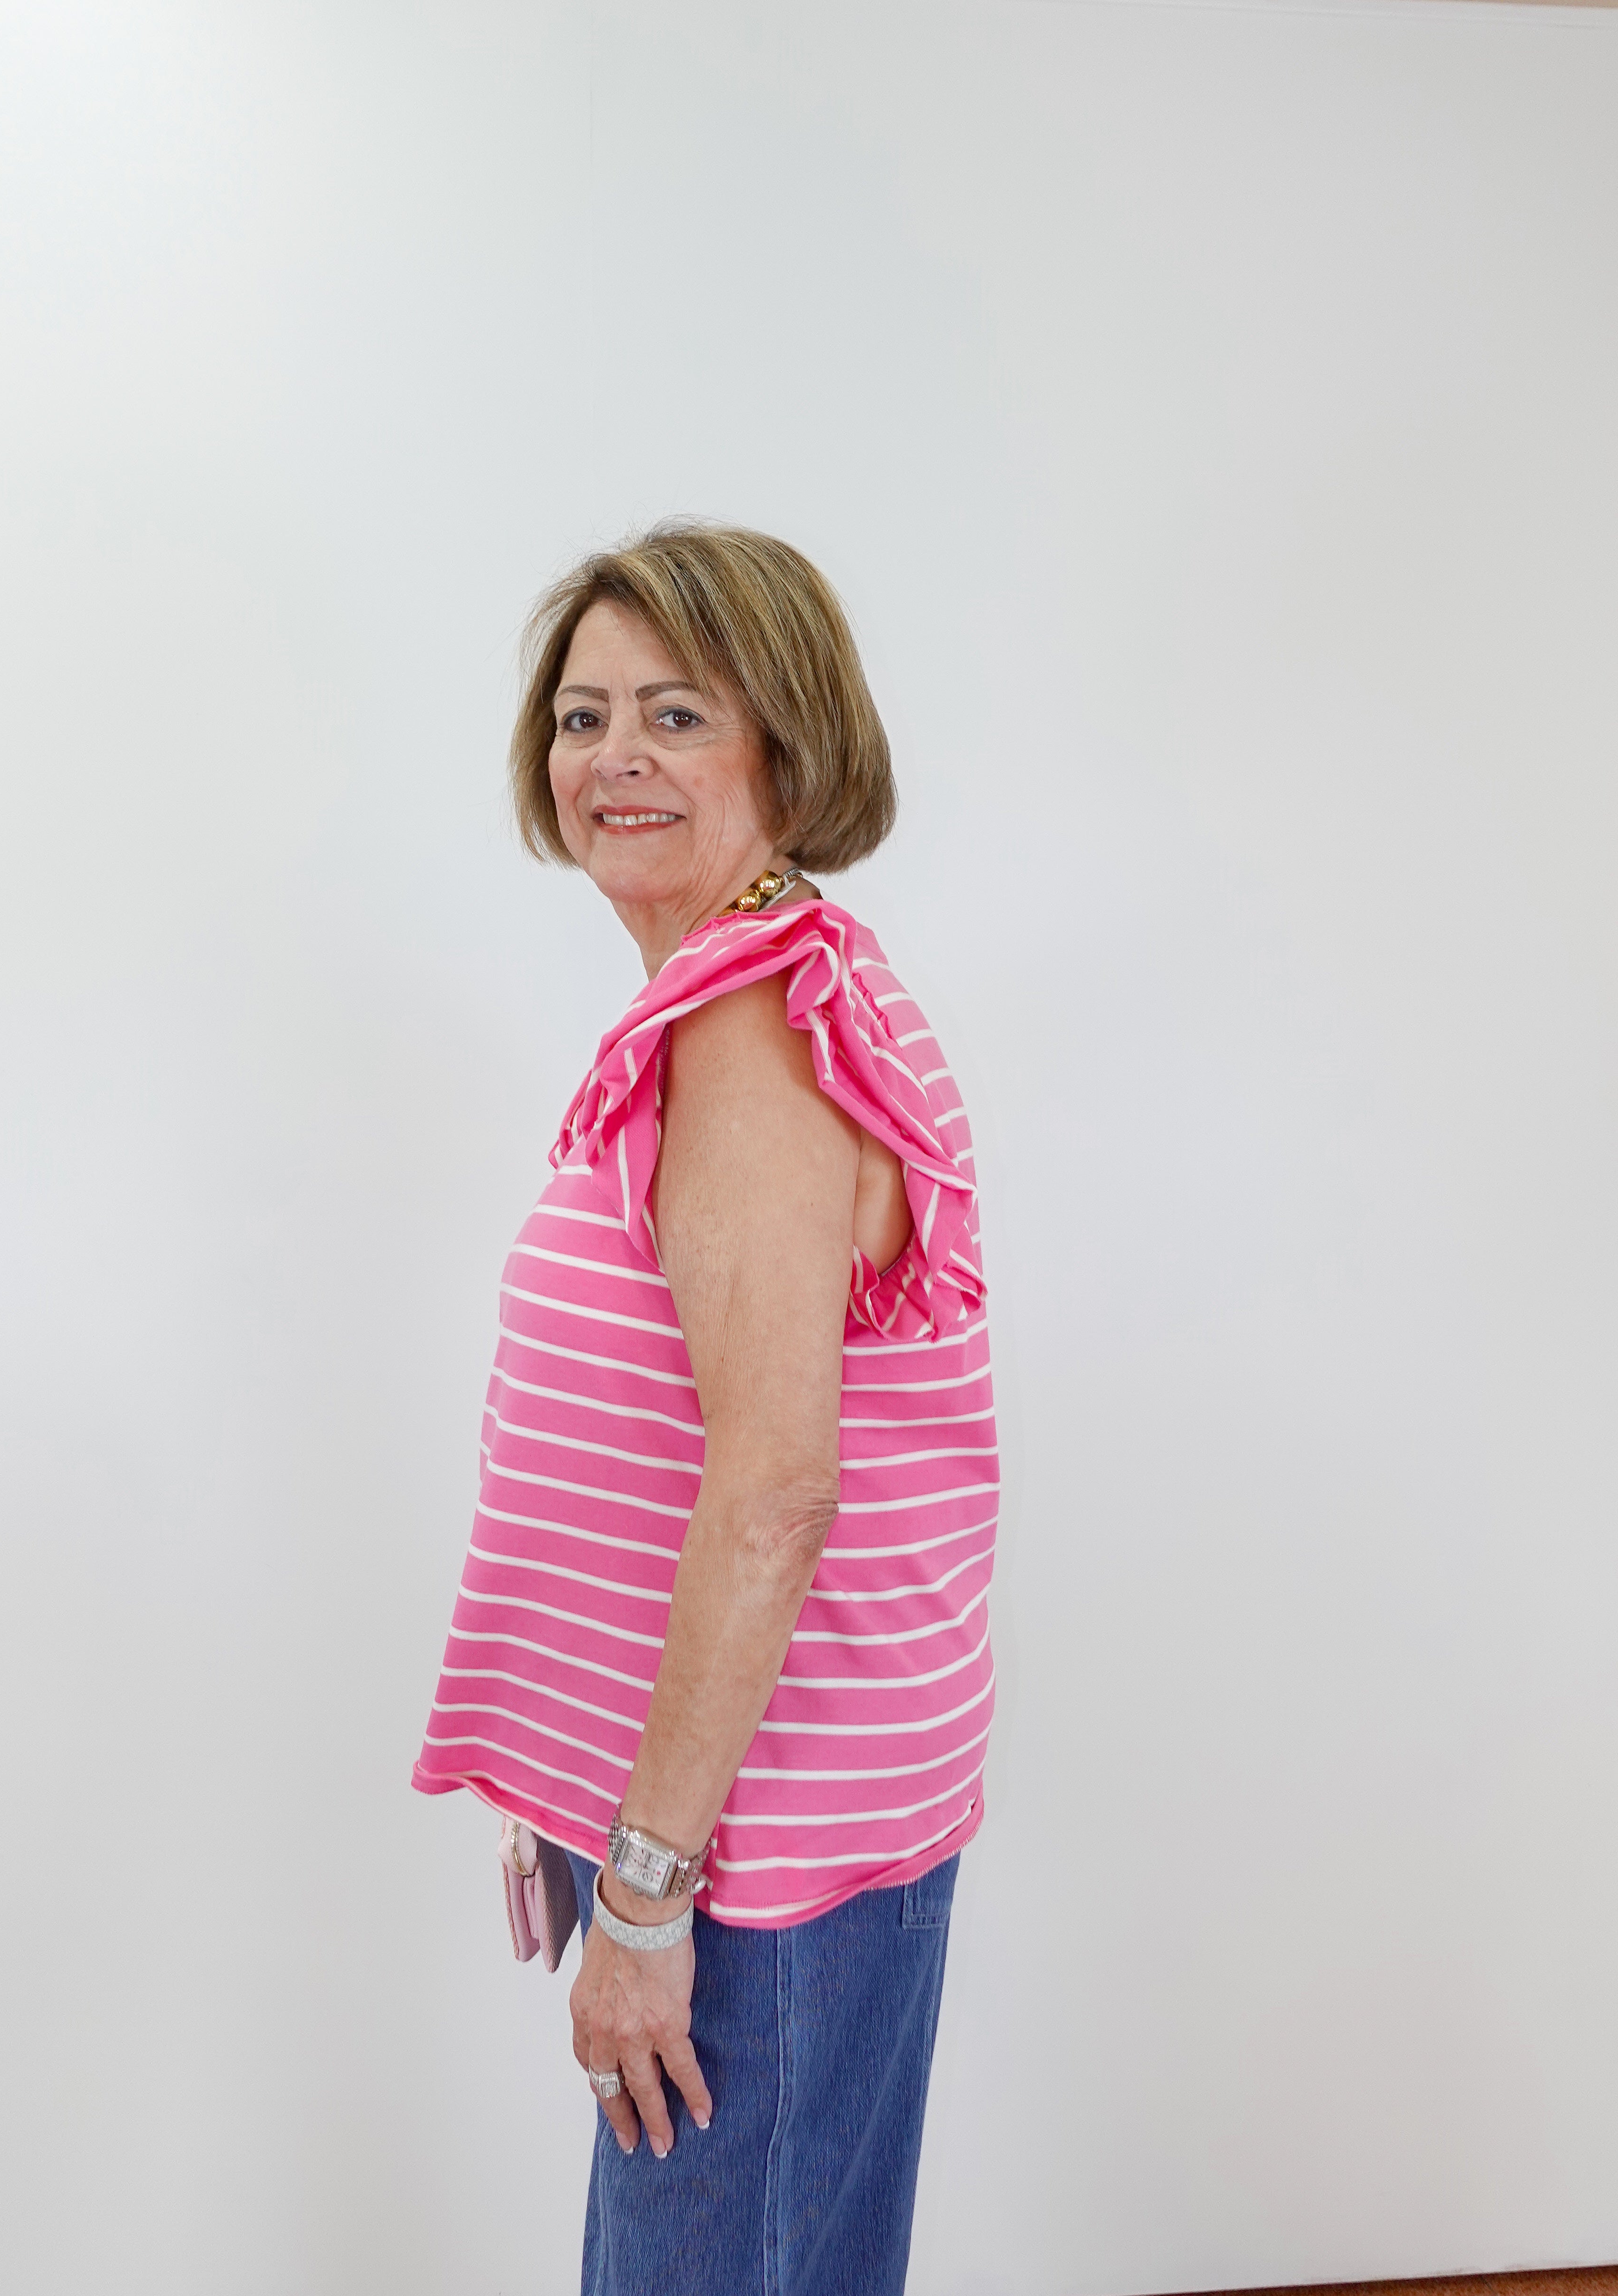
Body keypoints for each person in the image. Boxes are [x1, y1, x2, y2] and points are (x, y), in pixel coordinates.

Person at [413, 523, 998, 2294]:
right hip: (747, 1818)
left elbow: (770, 1495)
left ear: (788, 746)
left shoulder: (748, 1029)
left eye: (678, 713)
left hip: (755, 1855)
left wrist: (651, 1897)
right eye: (584, 718)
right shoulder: (749, 989)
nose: (616, 760)